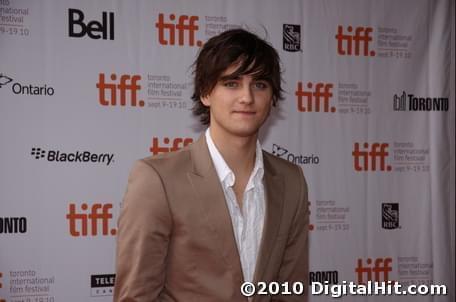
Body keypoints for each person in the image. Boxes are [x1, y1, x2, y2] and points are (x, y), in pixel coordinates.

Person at [114, 28, 309, 302]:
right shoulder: (157, 179)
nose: (247, 97)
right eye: (232, 83)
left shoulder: (291, 180)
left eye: (260, 85)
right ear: (206, 93)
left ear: (272, 97)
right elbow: (136, 297)